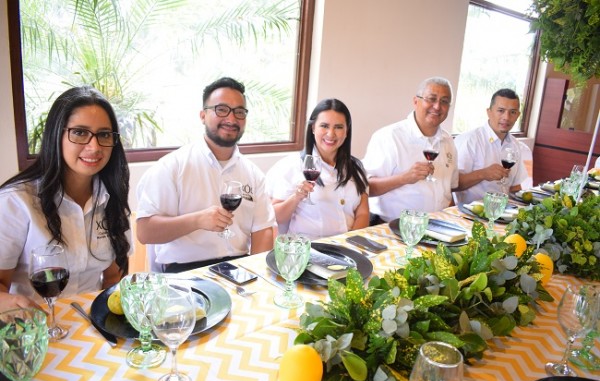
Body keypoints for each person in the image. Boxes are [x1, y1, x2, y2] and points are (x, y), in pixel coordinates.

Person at [0, 86, 131, 301]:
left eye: (104, 135)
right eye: (80, 132)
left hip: (91, 323)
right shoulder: (16, 201)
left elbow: (113, 278)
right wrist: (17, 305)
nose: (94, 146)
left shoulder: (112, 196)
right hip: (33, 325)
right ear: (56, 134)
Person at [136, 77, 276, 272]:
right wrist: (197, 220)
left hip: (239, 269)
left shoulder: (253, 174)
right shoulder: (172, 166)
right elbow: (145, 232)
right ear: (203, 115)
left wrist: (257, 276)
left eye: (239, 112)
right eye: (221, 109)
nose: (231, 119)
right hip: (185, 273)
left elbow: (263, 230)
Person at [265, 98, 369, 239]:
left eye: (338, 127)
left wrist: (351, 243)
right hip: (307, 249)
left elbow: (362, 212)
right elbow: (275, 217)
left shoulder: (356, 167)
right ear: (313, 128)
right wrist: (296, 197)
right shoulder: (291, 166)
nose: (331, 134)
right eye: (324, 126)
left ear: (347, 131)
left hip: (347, 247)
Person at [362, 77, 459, 222]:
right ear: (416, 101)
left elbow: (449, 189)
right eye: (431, 99)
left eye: (444, 101)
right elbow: (365, 188)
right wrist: (404, 178)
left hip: (436, 227)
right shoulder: (389, 137)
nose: (437, 107)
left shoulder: (448, 141)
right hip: (391, 227)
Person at [454, 88, 528, 205]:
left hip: (503, 213)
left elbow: (515, 187)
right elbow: (453, 184)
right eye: (501, 110)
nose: (506, 117)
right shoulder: (469, 140)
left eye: (512, 112)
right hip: (469, 215)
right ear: (489, 112)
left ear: (518, 115)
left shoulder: (515, 145)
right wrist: (483, 174)